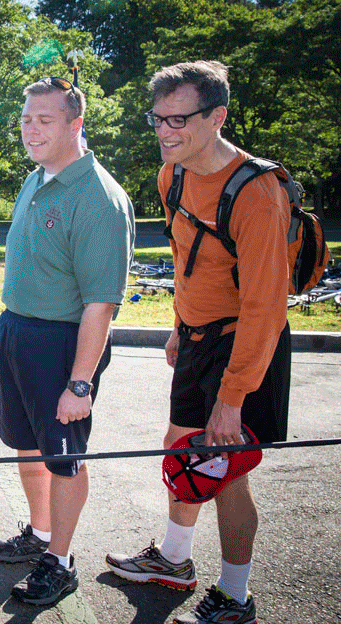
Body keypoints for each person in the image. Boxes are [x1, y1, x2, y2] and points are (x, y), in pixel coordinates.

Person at [105, 60, 290, 624]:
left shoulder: (256, 193)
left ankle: (236, 597)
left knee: (226, 471)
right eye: (158, 118)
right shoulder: (173, 174)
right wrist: (179, 327)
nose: (164, 131)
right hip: (198, 339)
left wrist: (232, 396)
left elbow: (265, 307)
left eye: (179, 119)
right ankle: (175, 560)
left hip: (245, 346)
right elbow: (191, 262)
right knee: (181, 450)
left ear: (217, 117)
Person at [0, 76, 134, 606]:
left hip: (64, 343)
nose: (31, 129)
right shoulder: (37, 178)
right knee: (27, 445)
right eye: (26, 119)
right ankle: (41, 535)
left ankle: (61, 561)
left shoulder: (99, 198)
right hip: (18, 330)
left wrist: (80, 381)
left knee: (64, 455)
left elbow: (101, 305)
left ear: (76, 124)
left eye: (44, 120)